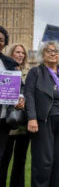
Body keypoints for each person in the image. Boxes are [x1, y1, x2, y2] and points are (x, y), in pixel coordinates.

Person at [25, 41, 59, 187]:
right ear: (42, 54)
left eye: (56, 51)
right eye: (49, 51)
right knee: (44, 162)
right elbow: (28, 95)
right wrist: (32, 118)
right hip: (44, 121)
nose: (53, 53)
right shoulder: (35, 72)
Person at [0, 43, 28, 187]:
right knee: (5, 158)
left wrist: (23, 98)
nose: (20, 55)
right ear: (11, 54)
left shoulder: (27, 71)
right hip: (9, 120)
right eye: (17, 52)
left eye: (22, 53)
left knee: (20, 160)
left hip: (23, 122)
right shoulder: (5, 70)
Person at [0, 27, 19, 167]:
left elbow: (18, 86)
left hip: (2, 118)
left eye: (1, 40)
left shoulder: (9, 63)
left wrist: (21, 96)